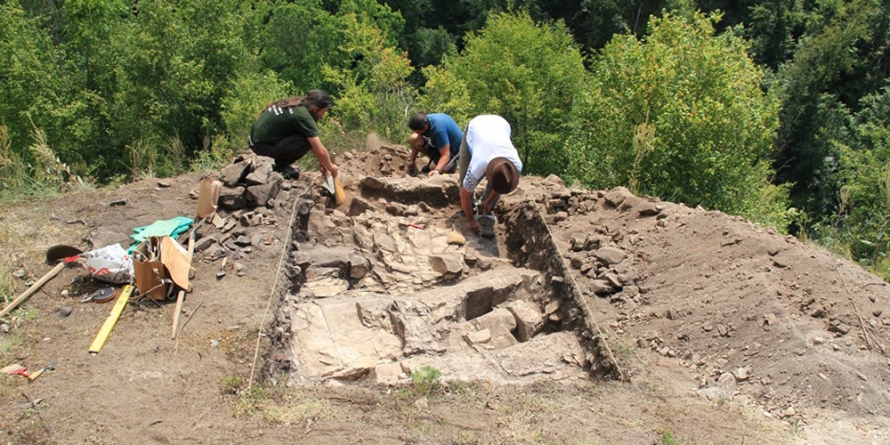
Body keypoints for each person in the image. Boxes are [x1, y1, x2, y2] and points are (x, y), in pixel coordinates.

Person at [248, 90, 338, 180]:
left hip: (254, 143)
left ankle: (280, 164)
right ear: (315, 109)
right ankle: (279, 167)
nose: (323, 115)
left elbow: (316, 146)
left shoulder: (296, 103)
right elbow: (319, 149)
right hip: (262, 150)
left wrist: (323, 160)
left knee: (306, 136)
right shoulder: (303, 116)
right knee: (306, 141)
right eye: (324, 111)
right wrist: (331, 167)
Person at [458, 115, 523, 234]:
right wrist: (471, 220)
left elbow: (502, 184)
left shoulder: (515, 166)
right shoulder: (478, 165)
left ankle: (484, 207)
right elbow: (465, 194)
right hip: (475, 127)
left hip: (501, 125)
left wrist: (488, 203)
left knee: (500, 181)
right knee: (464, 178)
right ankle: (469, 209)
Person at [407, 112, 463, 177]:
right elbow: (416, 141)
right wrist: (412, 160)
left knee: (433, 167)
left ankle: (451, 165)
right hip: (440, 145)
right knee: (413, 139)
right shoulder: (424, 120)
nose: (415, 132)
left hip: (454, 148)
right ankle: (435, 159)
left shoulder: (439, 130)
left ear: (425, 127)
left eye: (416, 131)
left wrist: (437, 170)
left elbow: (445, 154)